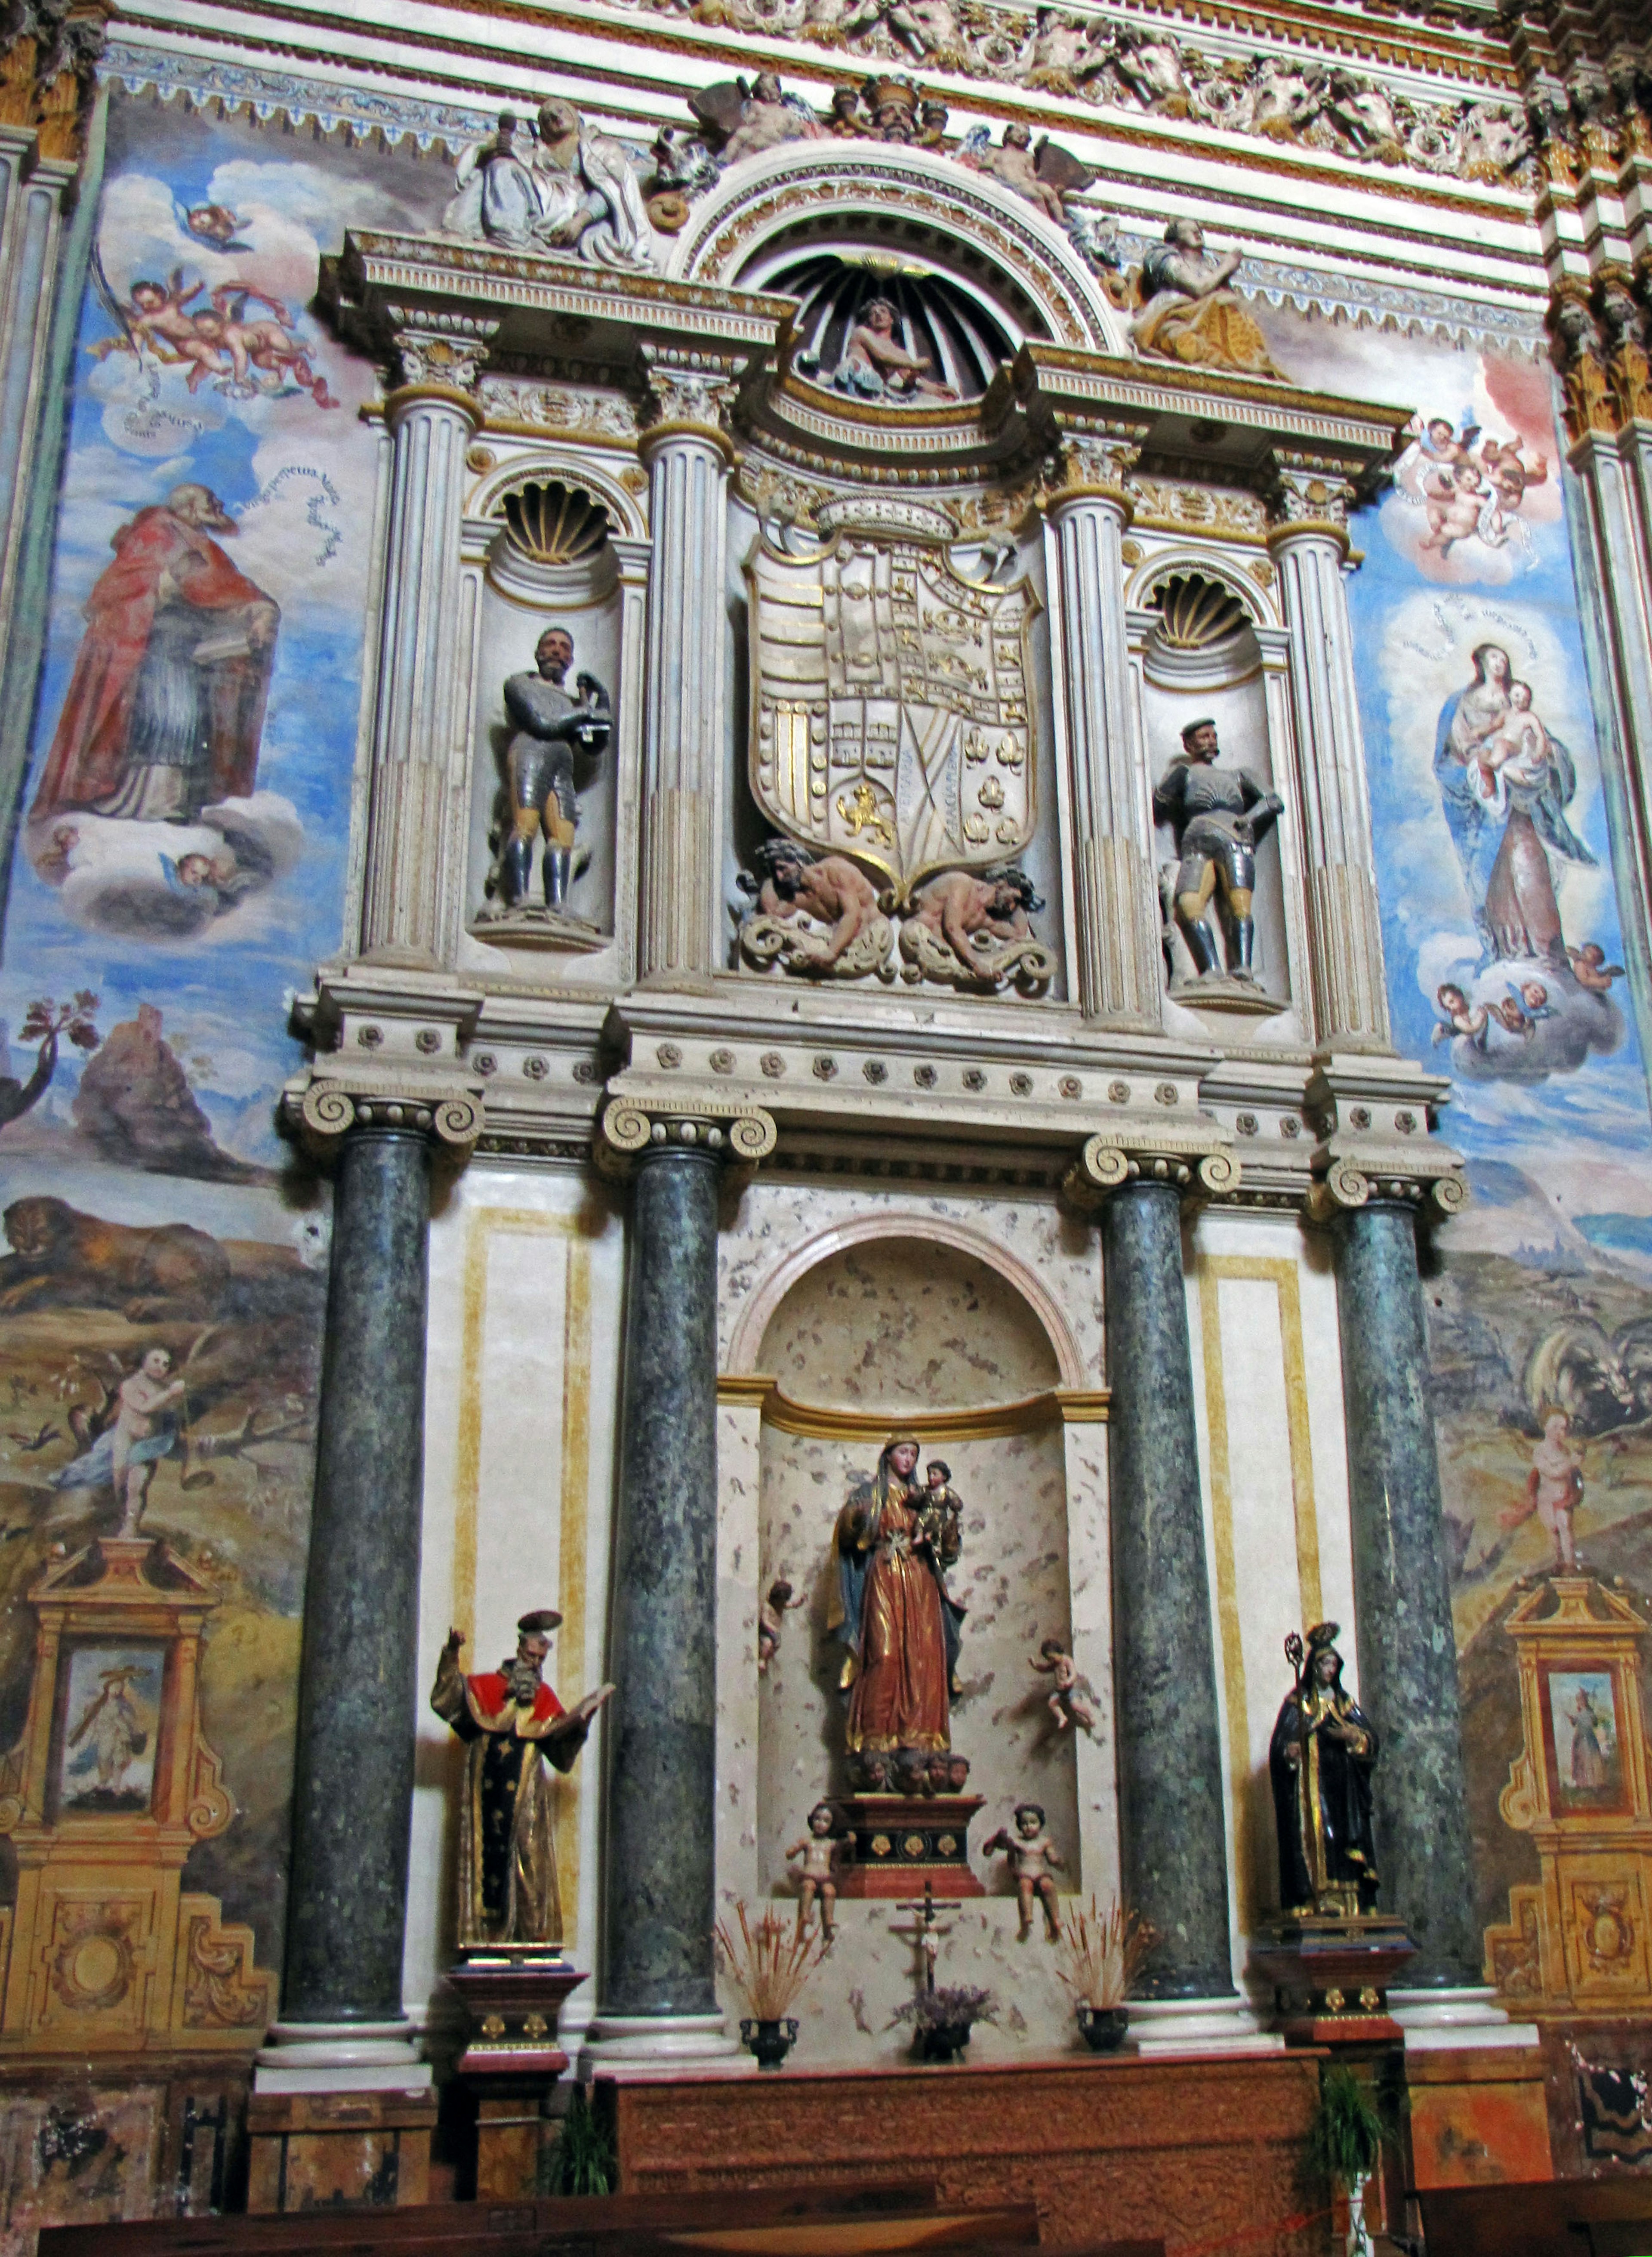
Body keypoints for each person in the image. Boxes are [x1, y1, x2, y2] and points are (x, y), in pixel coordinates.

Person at [33, 485, 279, 825]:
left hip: (187, 651)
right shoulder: (160, 532)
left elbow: (221, 587)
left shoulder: (198, 542)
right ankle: (144, 803)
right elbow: (161, 585)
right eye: (210, 502)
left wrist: (256, 608)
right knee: (172, 716)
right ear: (190, 508)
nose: (219, 505)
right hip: (157, 648)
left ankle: (171, 803)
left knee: (190, 721)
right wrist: (224, 598)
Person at [430, 1610, 613, 1947]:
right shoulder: (486, 1687)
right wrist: (451, 1654)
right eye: (533, 1653)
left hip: (527, 1790)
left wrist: (579, 1724)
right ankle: (488, 1935)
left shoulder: (544, 1699)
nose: (537, 1661)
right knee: (489, 1858)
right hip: (486, 1789)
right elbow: (447, 1699)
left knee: (529, 1853)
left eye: (542, 1656)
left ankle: (530, 1933)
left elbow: (560, 1750)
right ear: (520, 1647)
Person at [830, 1434, 955, 1757]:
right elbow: (847, 1534)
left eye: (914, 1454)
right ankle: (875, 1736)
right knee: (883, 1653)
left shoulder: (925, 1498)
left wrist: (947, 1522)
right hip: (885, 1572)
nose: (909, 1459)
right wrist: (855, 1516)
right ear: (888, 1456)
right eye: (903, 1452)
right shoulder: (871, 1494)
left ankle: (921, 1735)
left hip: (920, 1578)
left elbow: (948, 1550)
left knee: (922, 1654)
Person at [1152, 716, 1282, 979]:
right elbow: (1160, 802)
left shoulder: (1238, 775)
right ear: (1189, 744)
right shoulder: (1185, 774)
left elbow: (1273, 801)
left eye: (1213, 736)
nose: (1211, 741)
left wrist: (1248, 819)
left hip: (1233, 837)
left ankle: (1243, 966)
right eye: (1204, 737)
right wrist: (1174, 779)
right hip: (1196, 842)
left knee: (1239, 903)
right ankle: (1211, 967)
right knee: (1188, 903)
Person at [493, 627, 610, 912]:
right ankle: (518, 898)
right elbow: (542, 723)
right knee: (526, 826)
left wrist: (601, 699)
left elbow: (595, 743)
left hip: (562, 764)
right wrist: (585, 713)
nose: (558, 651)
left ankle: (558, 903)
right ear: (538, 652)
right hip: (530, 753)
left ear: (570, 660)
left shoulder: (573, 702)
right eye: (551, 644)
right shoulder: (520, 685)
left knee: (563, 836)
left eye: (565, 648)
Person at [1269, 1623, 1380, 1917]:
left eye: (1333, 1663)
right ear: (1313, 1666)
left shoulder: (1344, 1703)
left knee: (1344, 1839)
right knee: (1317, 1836)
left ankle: (1350, 1900)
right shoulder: (1298, 1704)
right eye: (1324, 1663)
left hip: (1343, 1789)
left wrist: (1356, 1738)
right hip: (1312, 1787)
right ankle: (1315, 1897)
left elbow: (1370, 1738)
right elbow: (1282, 1744)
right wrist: (1289, 1752)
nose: (1330, 1669)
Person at [1130, 218, 1285, 378]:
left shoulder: (1211, 272)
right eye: (1188, 230)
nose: (1197, 233)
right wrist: (1227, 266)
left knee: (1229, 304)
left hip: (1208, 328)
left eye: (1199, 230)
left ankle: (1245, 363)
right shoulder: (1170, 261)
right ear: (1175, 242)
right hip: (1177, 317)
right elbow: (1199, 288)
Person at [1501, 1409, 1584, 1571]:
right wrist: (1571, 1464)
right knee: (1554, 1532)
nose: (1561, 1432)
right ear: (1545, 1427)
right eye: (1556, 1427)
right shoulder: (1540, 1452)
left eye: (1563, 1428)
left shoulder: (1565, 1451)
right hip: (1547, 1500)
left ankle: (1570, 1565)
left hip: (1564, 1498)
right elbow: (1552, 1473)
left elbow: (1571, 1475)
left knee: (1566, 1529)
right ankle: (1558, 1562)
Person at [836, 299, 955, 401]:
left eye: (883, 311)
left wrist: (938, 390)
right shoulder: (862, 333)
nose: (878, 314)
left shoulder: (900, 354)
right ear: (869, 322)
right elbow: (882, 357)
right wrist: (914, 365)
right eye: (873, 314)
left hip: (874, 393)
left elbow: (914, 381)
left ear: (892, 319)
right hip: (851, 384)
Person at [983, 1803, 1064, 1941]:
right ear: (1019, 1825)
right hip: (1025, 1875)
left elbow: (1052, 1858)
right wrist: (997, 1839)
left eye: (1033, 1822)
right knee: (1025, 1886)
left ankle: (1055, 1919)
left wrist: (1058, 1861)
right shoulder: (1016, 1842)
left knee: (1048, 1885)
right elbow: (990, 1850)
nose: (1028, 1826)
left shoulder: (1045, 1842)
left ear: (1041, 1823)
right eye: (1024, 1823)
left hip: (1040, 1874)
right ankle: (1027, 1917)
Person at [786, 1803, 839, 1942]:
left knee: (830, 1891)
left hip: (825, 1878)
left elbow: (836, 1859)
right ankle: (805, 1914)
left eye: (826, 1821)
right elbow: (793, 1851)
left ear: (831, 1826)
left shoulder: (831, 1844)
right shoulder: (807, 1841)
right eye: (818, 1819)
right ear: (812, 1820)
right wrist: (792, 1852)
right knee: (808, 1887)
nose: (821, 1824)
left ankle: (828, 1921)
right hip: (809, 1876)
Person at [1031, 1638, 1095, 1733]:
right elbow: (1044, 1669)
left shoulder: (1067, 1661)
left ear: (1058, 1652)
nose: (1052, 1661)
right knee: (1052, 1703)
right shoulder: (1054, 1664)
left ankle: (1089, 1715)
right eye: (1049, 1659)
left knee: (1075, 1706)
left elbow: (1074, 1674)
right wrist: (1035, 1666)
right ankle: (1062, 1717)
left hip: (1072, 1688)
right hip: (1061, 1690)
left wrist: (1069, 1682)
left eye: (1053, 1658)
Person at [757, 1575, 805, 1673]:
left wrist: (801, 1602)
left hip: (775, 1633)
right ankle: (762, 1659)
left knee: (776, 1646)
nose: (782, 1604)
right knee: (767, 1644)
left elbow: (793, 1605)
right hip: (766, 1633)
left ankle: (767, 1659)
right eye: (780, 1602)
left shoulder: (781, 1605)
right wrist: (773, 1628)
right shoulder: (768, 1606)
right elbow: (764, 1621)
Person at [1570, 1686, 1609, 1791]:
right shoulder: (1578, 1714)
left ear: (1585, 1701)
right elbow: (1574, 1723)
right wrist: (1571, 1719)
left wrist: (1593, 1720)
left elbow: (1595, 1724)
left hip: (1590, 1740)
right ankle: (1583, 1784)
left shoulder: (1590, 1713)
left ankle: (1595, 1784)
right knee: (1582, 1761)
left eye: (1583, 1700)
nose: (1581, 1702)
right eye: (1579, 1700)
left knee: (1592, 1759)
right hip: (1581, 1740)